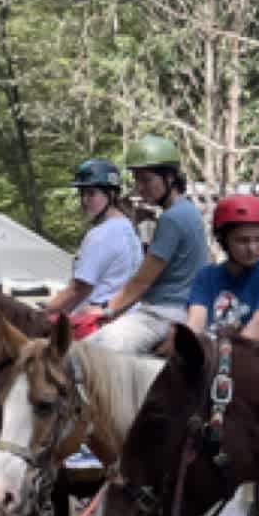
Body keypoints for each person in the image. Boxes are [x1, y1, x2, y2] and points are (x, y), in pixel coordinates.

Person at [86, 136, 209, 356]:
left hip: (162, 313)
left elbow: (141, 281)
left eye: (146, 180)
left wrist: (106, 311)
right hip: (177, 310)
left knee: (88, 352)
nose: (140, 188)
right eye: (136, 180)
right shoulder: (189, 211)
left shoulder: (172, 219)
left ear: (169, 177)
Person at [40, 159, 144, 340]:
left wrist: (41, 314)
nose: (84, 200)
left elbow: (77, 290)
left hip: (98, 327)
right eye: (82, 194)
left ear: (111, 194)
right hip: (129, 319)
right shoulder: (127, 227)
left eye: (91, 193)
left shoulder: (101, 234)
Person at [188, 194, 259, 344]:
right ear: (223, 241)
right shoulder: (206, 275)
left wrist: (224, 362)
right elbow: (195, 324)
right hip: (219, 358)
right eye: (242, 240)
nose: (252, 248)